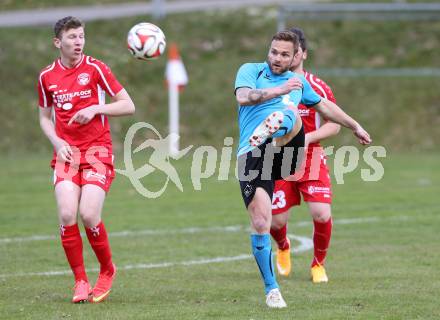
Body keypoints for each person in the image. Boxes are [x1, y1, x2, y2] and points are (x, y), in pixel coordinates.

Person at [234, 30, 371, 308]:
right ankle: (272, 289)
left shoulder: (297, 83)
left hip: (287, 152)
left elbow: (326, 107)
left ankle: (278, 123)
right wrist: (277, 91)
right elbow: (244, 97)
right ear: (268, 50)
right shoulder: (250, 70)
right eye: (274, 52)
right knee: (263, 223)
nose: (277, 58)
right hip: (252, 154)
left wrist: (355, 125)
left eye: (284, 54)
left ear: (296, 56)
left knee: (292, 115)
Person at [38, 16, 135, 303]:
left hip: (97, 152)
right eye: (72, 37)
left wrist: (95, 108)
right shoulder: (46, 76)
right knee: (67, 214)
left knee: (89, 214)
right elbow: (44, 118)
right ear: (58, 42)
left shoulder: (96, 68)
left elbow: (128, 105)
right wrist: (57, 142)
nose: (78, 42)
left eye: (81, 36)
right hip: (66, 154)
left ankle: (107, 270)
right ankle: (80, 280)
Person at [271, 28, 341, 284]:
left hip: (310, 157)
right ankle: (283, 246)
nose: (291, 56)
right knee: (275, 220)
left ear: (303, 54)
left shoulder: (318, 86)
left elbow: (333, 125)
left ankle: (318, 264)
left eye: (295, 51)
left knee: (322, 213)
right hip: (277, 157)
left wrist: (306, 139)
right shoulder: (271, 83)